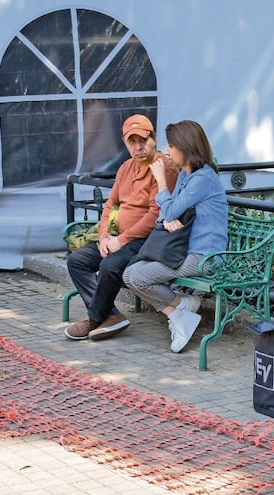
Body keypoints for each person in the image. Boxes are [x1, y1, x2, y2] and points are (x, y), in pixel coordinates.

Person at [64, 114, 179, 342]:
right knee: (76, 261)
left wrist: (122, 240)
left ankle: (94, 318)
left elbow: (154, 216)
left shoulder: (162, 168)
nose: (138, 147)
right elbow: (110, 204)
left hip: (146, 240)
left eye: (143, 140)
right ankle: (111, 315)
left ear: (153, 138)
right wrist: (105, 236)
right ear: (125, 143)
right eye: (132, 142)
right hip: (119, 237)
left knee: (110, 265)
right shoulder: (126, 167)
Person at [123, 120, 229, 353]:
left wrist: (160, 181)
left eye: (171, 146)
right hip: (184, 251)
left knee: (139, 277)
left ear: (186, 147)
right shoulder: (186, 174)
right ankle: (181, 310)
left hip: (205, 256)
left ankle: (181, 313)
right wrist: (167, 218)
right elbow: (165, 213)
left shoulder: (203, 178)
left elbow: (169, 208)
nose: (167, 151)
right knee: (129, 274)